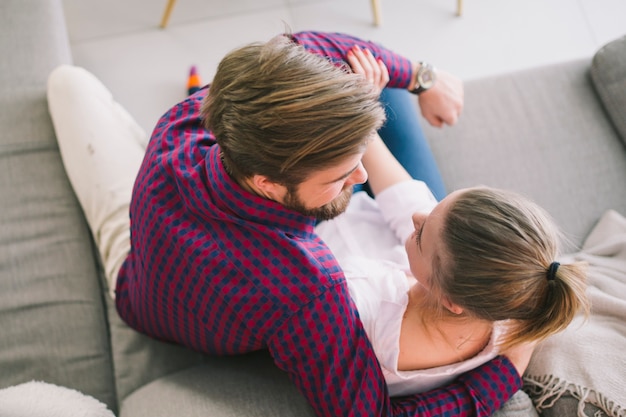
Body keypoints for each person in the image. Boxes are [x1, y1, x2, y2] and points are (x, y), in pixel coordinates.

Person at [47, 31, 532, 417]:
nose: (360, 177)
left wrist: (424, 77)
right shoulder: (308, 286)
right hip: (136, 282)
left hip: (175, 217)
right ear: (269, 183)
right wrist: (503, 374)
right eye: (342, 175)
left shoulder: (184, 122)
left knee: (68, 83)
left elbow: (316, 46)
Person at [317, 134, 589, 397]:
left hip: (321, 221)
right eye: (435, 209)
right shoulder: (504, 316)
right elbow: (408, 205)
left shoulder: (361, 306)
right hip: (370, 219)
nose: (417, 215)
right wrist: (364, 127)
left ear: (449, 300)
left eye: (421, 236)